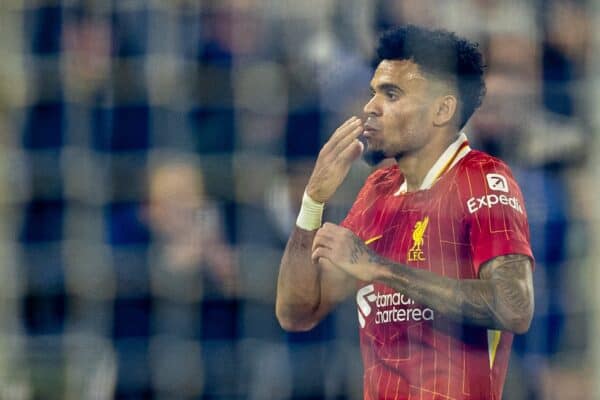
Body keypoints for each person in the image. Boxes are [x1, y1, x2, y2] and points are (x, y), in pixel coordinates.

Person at [276, 25, 534, 400]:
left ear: (442, 110)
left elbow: (515, 305)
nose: (370, 107)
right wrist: (313, 201)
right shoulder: (376, 193)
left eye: (391, 94)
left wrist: (380, 268)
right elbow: (297, 312)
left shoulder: (482, 178)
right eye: (372, 92)